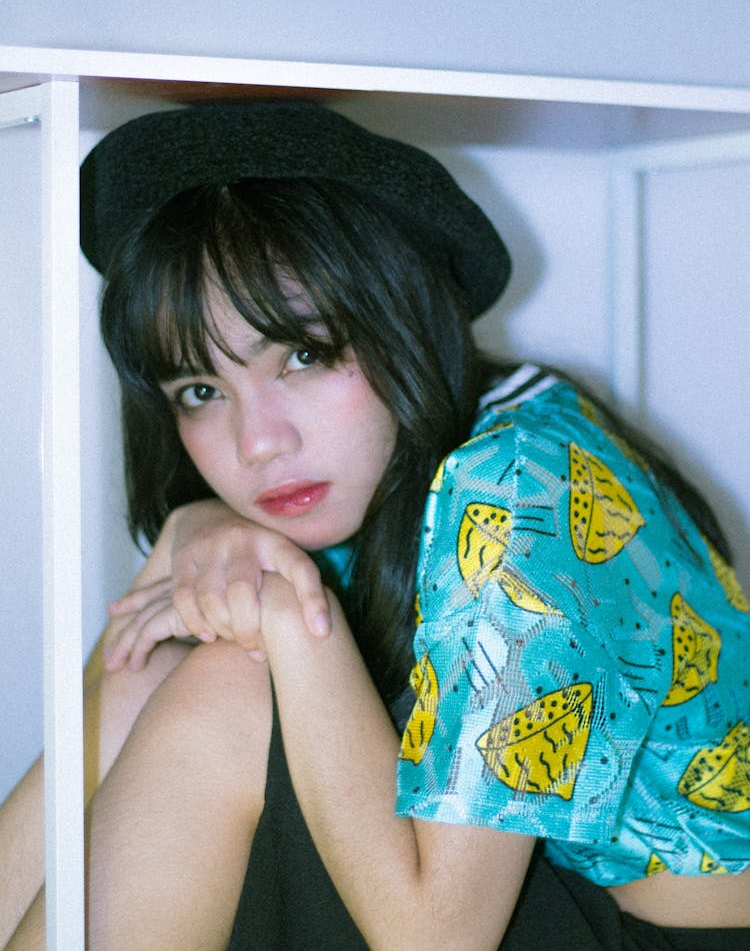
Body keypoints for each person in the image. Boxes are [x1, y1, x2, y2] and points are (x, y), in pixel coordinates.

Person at [3, 101, 750, 950]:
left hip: (641, 936)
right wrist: (190, 535)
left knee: (229, 684)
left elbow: (438, 937)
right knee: (166, 665)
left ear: (401, 312)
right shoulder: (389, 458)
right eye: (200, 391)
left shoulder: (519, 483)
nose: (258, 444)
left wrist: (289, 615)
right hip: (532, 895)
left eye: (305, 355)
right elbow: (129, 672)